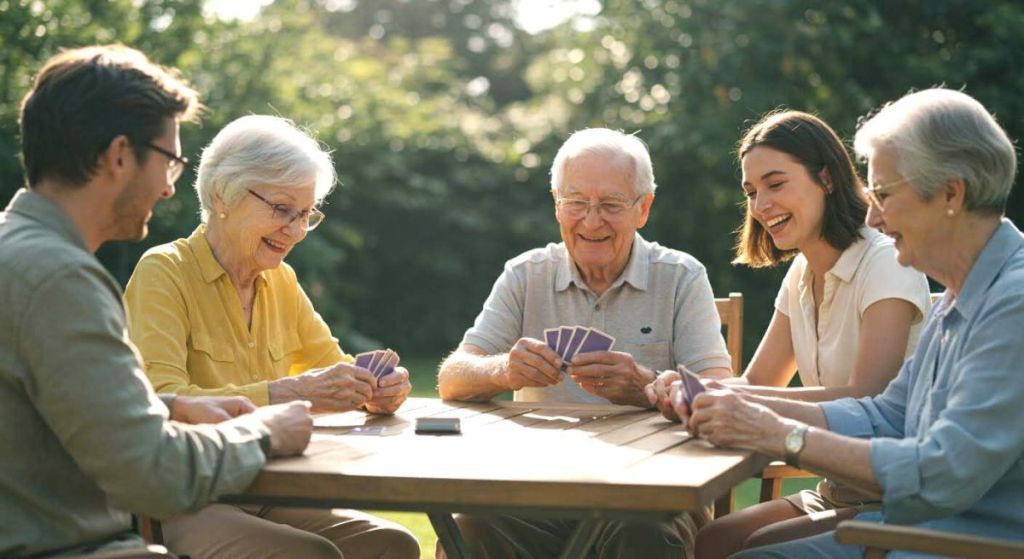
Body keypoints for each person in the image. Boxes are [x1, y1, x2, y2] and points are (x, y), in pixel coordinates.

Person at [673, 88, 1023, 558]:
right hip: (914, 521)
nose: (873, 216)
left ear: (950, 193)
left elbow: (941, 474)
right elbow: (886, 415)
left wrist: (779, 435)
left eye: (883, 194)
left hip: (958, 540)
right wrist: (737, 407)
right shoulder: (964, 291)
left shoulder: (1012, 303)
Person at [0, 45, 314, 558]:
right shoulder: (59, 278)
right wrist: (262, 432)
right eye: (170, 161)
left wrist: (167, 407)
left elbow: (42, 404)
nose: (170, 189)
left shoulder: (18, 254)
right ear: (119, 156)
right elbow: (152, 475)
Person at [124, 114, 419, 559]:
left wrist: (372, 390)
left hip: (271, 487)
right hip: (186, 500)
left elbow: (333, 369)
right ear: (223, 195)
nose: (297, 231)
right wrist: (291, 392)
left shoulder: (280, 280)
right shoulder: (163, 271)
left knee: (392, 545)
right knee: (311, 555)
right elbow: (166, 401)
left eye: (305, 215)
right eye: (282, 210)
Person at [437, 128, 734, 557]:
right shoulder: (525, 274)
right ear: (557, 205)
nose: (591, 221)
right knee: (469, 528)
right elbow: (452, 377)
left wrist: (647, 387)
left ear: (643, 209)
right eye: (575, 203)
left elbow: (716, 392)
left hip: (650, 489)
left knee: (643, 532)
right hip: (538, 487)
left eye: (610, 205)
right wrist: (502, 369)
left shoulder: (682, 277)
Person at [646, 111, 931, 558]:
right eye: (752, 192)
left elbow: (869, 396)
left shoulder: (882, 261)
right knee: (712, 538)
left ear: (827, 178)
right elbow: (759, 383)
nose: (760, 206)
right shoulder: (802, 271)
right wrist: (693, 390)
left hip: (894, 496)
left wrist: (738, 403)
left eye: (775, 185)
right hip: (837, 490)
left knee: (756, 548)